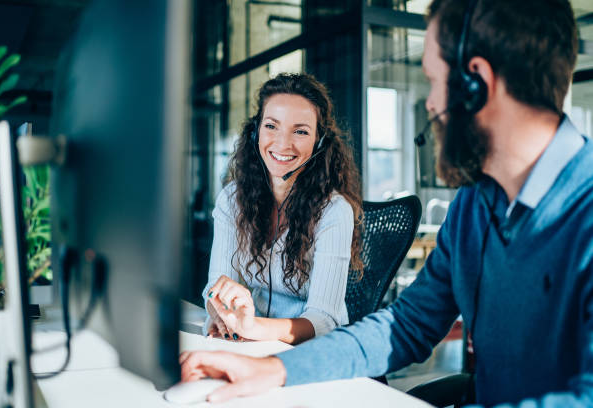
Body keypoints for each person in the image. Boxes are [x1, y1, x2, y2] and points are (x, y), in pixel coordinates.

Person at [180, 0, 593, 406]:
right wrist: (277, 369)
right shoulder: (475, 203)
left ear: (476, 84)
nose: (431, 103)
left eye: (433, 80)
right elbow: (407, 325)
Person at [202, 73, 363, 345]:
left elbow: (323, 320)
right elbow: (215, 287)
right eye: (271, 126)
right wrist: (219, 312)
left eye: (300, 131)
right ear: (256, 132)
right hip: (246, 345)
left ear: (319, 142)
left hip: (307, 353)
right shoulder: (233, 198)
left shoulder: (334, 211)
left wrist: (253, 328)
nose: (282, 143)